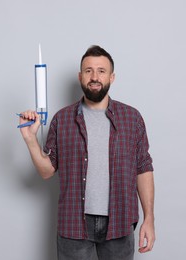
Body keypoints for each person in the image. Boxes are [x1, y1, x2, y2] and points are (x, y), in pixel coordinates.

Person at [18, 45, 155, 260]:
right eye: (89, 70)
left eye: (101, 71)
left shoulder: (132, 118)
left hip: (119, 221)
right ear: (80, 76)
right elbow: (46, 171)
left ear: (112, 77)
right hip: (74, 225)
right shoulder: (62, 120)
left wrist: (149, 218)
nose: (95, 76)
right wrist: (30, 139)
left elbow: (143, 168)